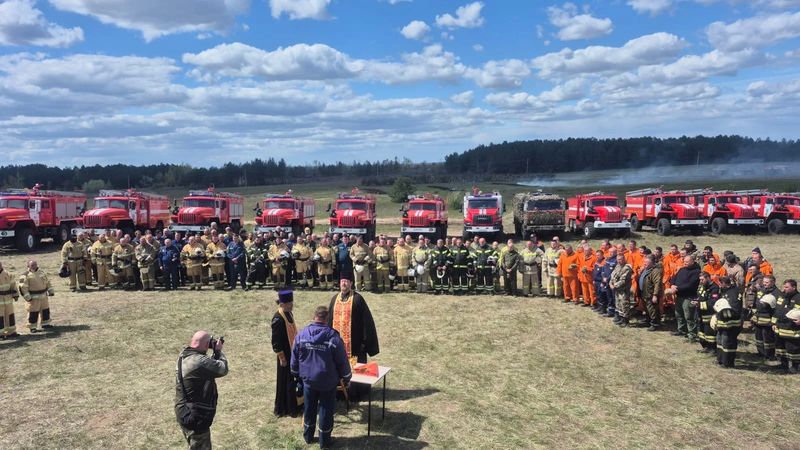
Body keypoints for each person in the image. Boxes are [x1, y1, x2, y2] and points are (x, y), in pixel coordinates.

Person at [291, 306, 352, 447]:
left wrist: (296, 374)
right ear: (327, 318)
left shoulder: (301, 335)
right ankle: (324, 441)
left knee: (309, 408)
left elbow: (294, 358)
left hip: (308, 381)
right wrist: (347, 377)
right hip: (327, 382)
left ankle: (308, 437)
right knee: (325, 410)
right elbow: (342, 361)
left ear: (314, 316)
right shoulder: (333, 337)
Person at [175, 331, 228, 449]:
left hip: (183, 410)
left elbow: (207, 367)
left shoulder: (184, 355)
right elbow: (222, 369)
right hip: (195, 416)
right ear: (205, 345)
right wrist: (218, 351)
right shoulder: (199, 362)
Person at [271, 290, 302, 417]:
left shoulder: (289, 313)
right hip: (285, 355)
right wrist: (282, 358)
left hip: (293, 352)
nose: (291, 305)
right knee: (286, 381)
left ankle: (294, 404)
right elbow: (276, 342)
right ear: (282, 304)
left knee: (293, 380)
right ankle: (285, 407)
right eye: (289, 303)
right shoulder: (278, 319)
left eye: (291, 303)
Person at [669, 255, 701, 340]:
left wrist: (677, 288)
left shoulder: (696, 272)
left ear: (692, 261)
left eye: (687, 262)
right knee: (678, 314)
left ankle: (692, 334)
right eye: (684, 261)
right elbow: (673, 278)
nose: (685, 263)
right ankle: (681, 330)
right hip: (679, 296)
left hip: (688, 297)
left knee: (689, 316)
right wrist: (672, 285)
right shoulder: (682, 269)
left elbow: (691, 285)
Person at [18, 260, 54, 333]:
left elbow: (47, 282)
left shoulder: (42, 272)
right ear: (28, 266)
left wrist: (51, 291)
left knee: (45, 311)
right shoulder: (25, 275)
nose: (34, 266)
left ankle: (45, 324)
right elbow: (22, 288)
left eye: (35, 264)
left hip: (43, 296)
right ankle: (32, 327)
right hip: (33, 298)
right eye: (32, 265)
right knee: (33, 313)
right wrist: (27, 297)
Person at [713, 276, 742, 368]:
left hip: (731, 324)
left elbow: (734, 310)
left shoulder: (733, 293)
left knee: (728, 343)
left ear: (726, 284)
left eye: (721, 284)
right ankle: (720, 360)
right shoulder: (725, 291)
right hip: (723, 323)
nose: (720, 286)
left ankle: (728, 363)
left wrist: (722, 314)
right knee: (720, 342)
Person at [773, 279, 800, 373]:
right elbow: (777, 310)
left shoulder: (798, 298)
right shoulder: (783, 296)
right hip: (780, 328)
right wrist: (774, 323)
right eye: (784, 287)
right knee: (781, 348)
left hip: (792, 330)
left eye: (786, 287)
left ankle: (795, 367)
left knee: (793, 349)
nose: (784, 289)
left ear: (794, 287)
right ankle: (783, 365)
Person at [752, 275, 779, 363]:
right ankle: (760, 353)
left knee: (768, 340)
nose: (764, 284)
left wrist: (774, 322)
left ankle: (769, 355)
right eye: (764, 282)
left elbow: (777, 309)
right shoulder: (761, 290)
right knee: (758, 338)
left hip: (767, 321)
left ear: (773, 282)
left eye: (767, 282)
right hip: (758, 319)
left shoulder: (777, 293)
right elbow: (756, 302)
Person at [695, 272, 720, 354]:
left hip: (709, 314)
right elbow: (699, 296)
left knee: (709, 332)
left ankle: (712, 348)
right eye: (700, 280)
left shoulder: (714, 288)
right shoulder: (701, 287)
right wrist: (696, 301)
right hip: (700, 313)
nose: (701, 281)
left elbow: (713, 302)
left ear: (708, 278)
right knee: (701, 332)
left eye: (702, 279)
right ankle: (705, 346)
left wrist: (699, 304)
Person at [639, 255, 664, 331]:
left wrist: (655, 295)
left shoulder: (655, 271)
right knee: (647, 309)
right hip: (644, 293)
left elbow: (657, 283)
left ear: (652, 262)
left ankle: (655, 324)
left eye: (646, 262)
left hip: (651, 294)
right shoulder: (646, 269)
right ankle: (648, 320)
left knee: (652, 309)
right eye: (644, 262)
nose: (644, 263)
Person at [610, 254, 633, 327]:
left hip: (624, 290)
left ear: (624, 259)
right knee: (618, 304)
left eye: (620, 259)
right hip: (617, 290)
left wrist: (614, 285)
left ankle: (626, 321)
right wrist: (610, 283)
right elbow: (613, 275)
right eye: (618, 259)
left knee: (624, 305)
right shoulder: (617, 266)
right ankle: (621, 318)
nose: (619, 261)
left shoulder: (627, 268)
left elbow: (623, 280)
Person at [0, 261, 20, 339]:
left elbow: (13, 285)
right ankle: (1, 334)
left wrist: (16, 295)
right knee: (0, 317)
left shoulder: (8, 274)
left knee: (10, 316)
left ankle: (11, 332)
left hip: (8, 299)